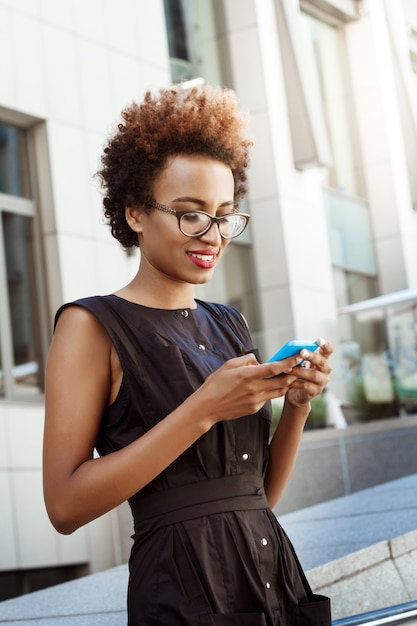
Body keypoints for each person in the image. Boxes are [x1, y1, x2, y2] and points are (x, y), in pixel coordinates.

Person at [43, 84, 333, 626]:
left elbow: (258, 495)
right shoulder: (90, 326)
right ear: (134, 212)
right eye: (189, 213)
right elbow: (63, 506)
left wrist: (296, 405)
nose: (213, 234)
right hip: (181, 592)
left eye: (225, 214)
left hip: (276, 579)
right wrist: (203, 409)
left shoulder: (229, 322)